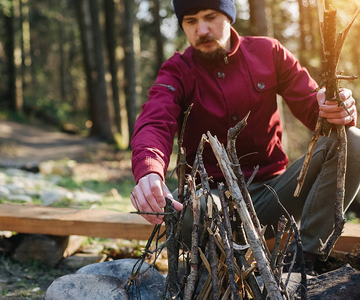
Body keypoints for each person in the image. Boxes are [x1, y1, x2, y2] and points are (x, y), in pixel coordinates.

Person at [130, 0, 360, 268]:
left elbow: (314, 109)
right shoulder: (177, 70)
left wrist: (333, 106)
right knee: (186, 210)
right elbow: (155, 120)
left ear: (229, 16)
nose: (201, 29)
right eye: (191, 21)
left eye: (210, 16)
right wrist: (148, 170)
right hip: (212, 202)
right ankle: (216, 267)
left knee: (352, 142)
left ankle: (308, 260)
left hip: (276, 197)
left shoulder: (269, 52)